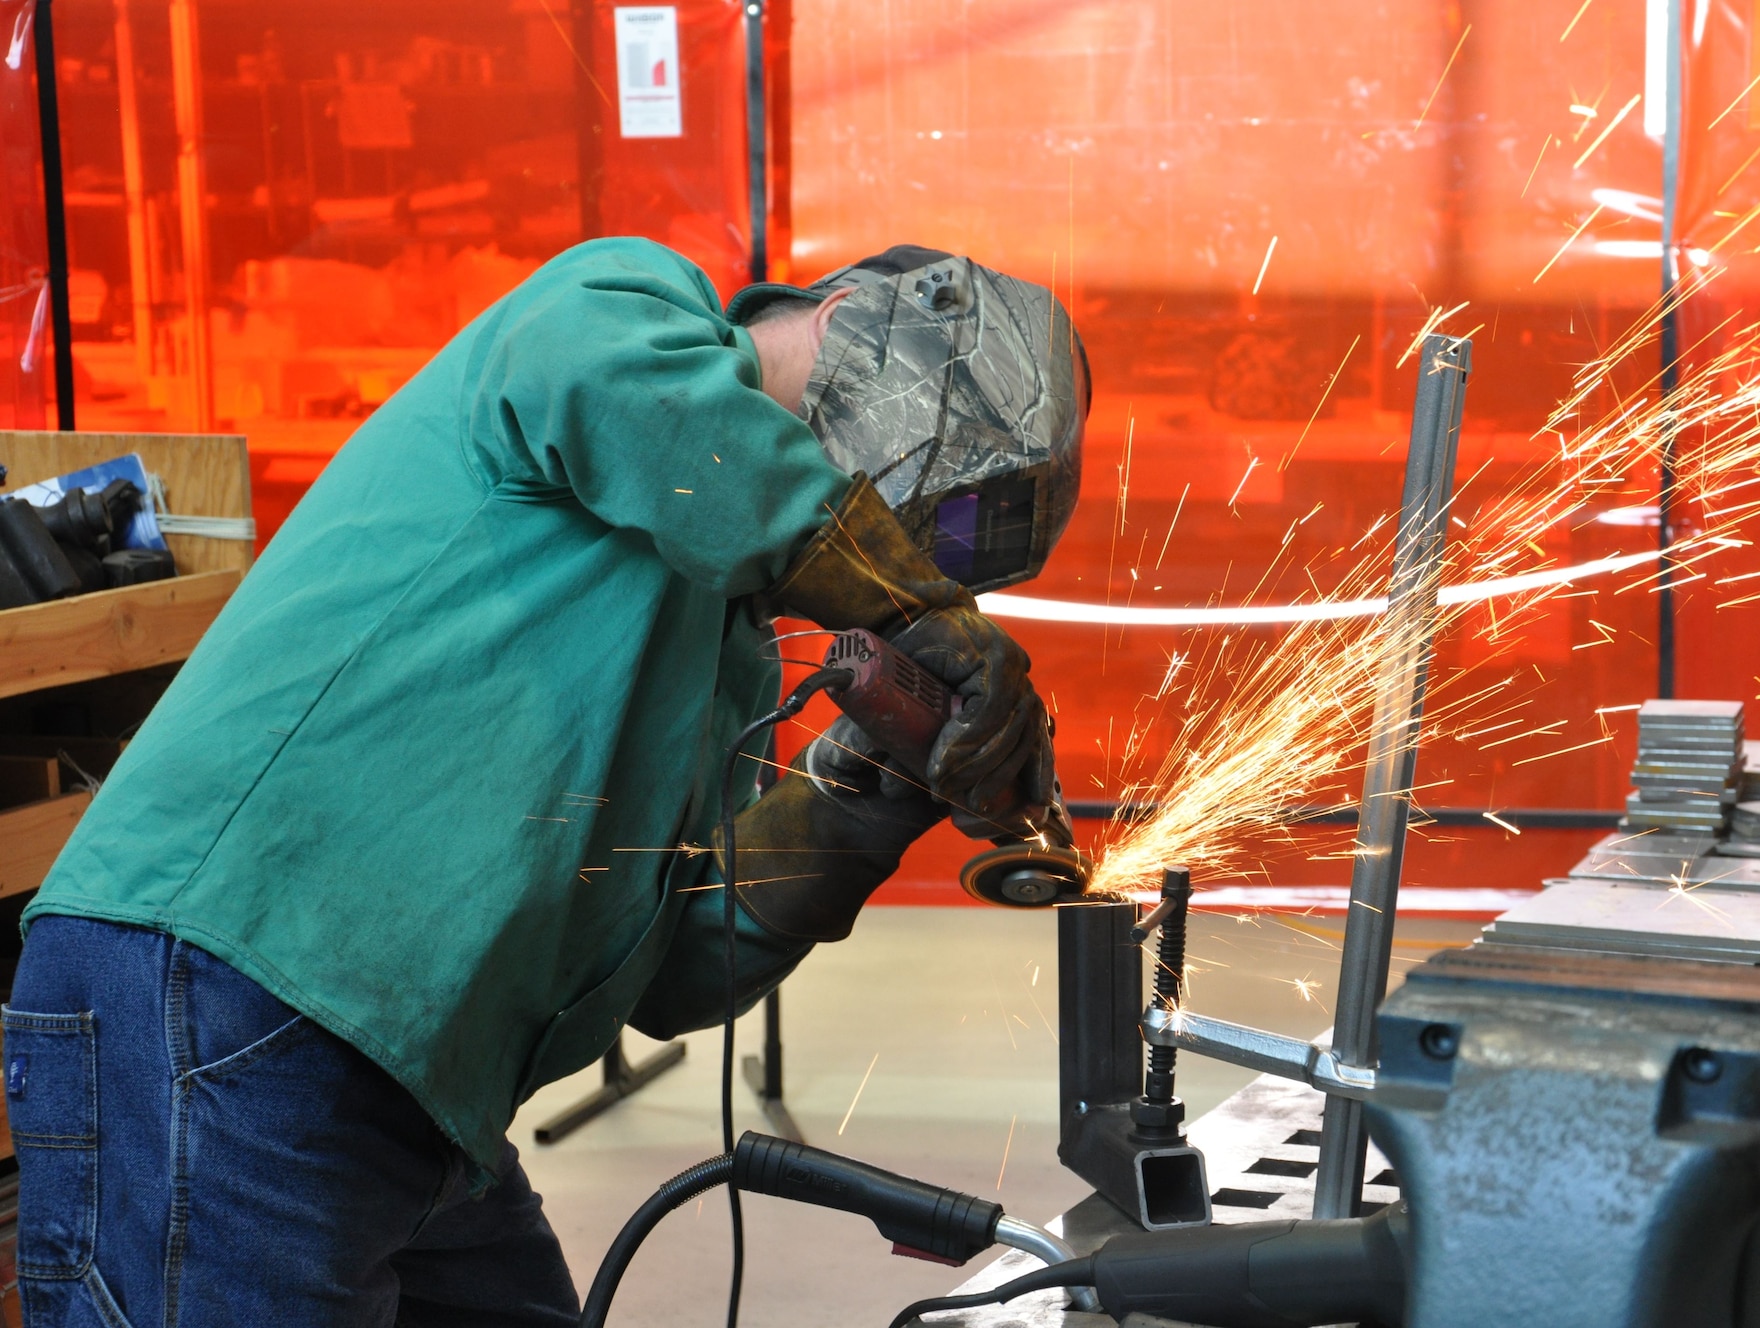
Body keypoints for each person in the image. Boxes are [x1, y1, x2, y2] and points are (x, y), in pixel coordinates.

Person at [2, 241, 1088, 1325]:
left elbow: (671, 965)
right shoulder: (622, 308)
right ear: (853, 313)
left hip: (418, 1094)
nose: (899, 547)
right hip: (222, 994)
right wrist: (905, 605)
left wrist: (877, 786)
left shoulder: (731, 657)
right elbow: (618, 399)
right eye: (900, 525)